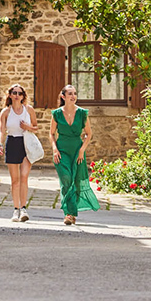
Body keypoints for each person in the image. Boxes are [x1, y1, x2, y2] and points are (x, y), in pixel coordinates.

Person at [50, 85, 100, 225]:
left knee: (76, 183)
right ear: (63, 96)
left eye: (75, 93)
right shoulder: (57, 114)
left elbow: (88, 134)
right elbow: (51, 133)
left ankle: (71, 212)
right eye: (70, 94)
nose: (73, 96)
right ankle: (69, 214)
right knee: (66, 179)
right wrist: (55, 149)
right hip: (61, 151)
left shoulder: (82, 113)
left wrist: (82, 150)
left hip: (77, 151)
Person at [0, 84, 36, 223]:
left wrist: (27, 127)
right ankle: (16, 209)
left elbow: (36, 128)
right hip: (12, 142)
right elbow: (1, 129)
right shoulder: (6, 112)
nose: (17, 95)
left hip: (26, 143)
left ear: (23, 96)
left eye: (20, 93)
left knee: (24, 177)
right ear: (10, 95)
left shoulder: (29, 110)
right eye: (14, 92)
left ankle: (24, 208)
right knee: (15, 180)